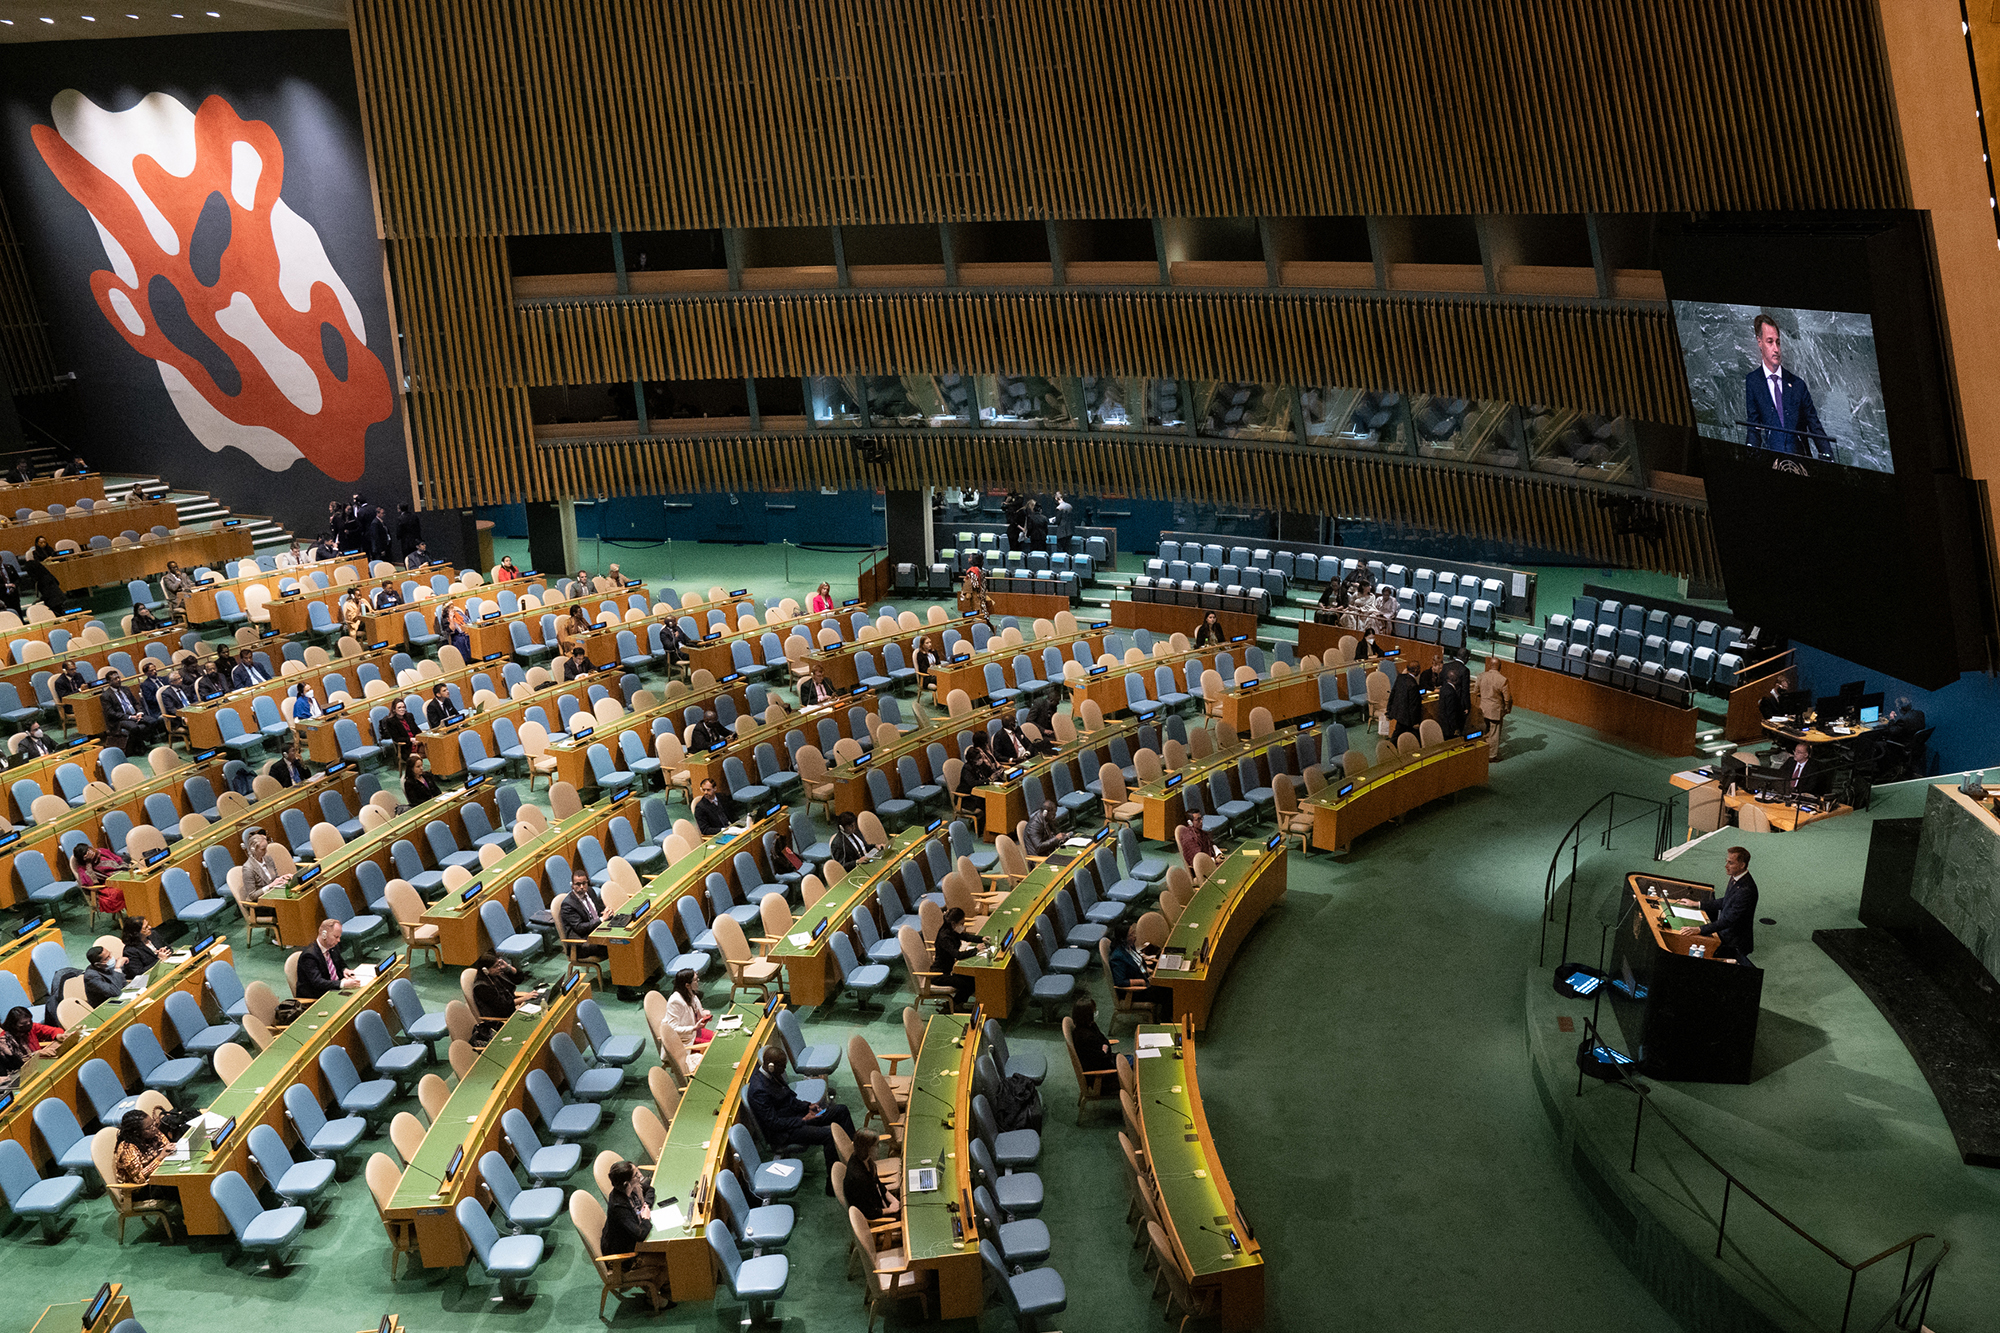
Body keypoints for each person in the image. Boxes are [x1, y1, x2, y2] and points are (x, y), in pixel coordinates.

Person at [746, 1045, 856, 1193]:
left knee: (840, 1110)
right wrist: (804, 1119)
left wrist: (808, 1107)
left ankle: (855, 1159)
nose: (785, 1070)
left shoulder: (772, 1074)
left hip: (797, 1118)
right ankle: (833, 1184)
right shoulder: (759, 1090)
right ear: (771, 1066)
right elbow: (773, 1123)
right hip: (786, 1131)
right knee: (829, 1135)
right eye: (782, 1067)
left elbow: (789, 1098)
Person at [1742, 314, 1829, 458]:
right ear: (1759, 342)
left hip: (1800, 461)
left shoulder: (1797, 385)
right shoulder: (1753, 381)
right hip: (1772, 461)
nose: (1776, 349)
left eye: (1778, 342)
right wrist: (1750, 455)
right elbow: (1753, 426)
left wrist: (1827, 455)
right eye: (1770, 342)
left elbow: (1815, 426)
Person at [1677, 845, 1759, 965]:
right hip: (1726, 935)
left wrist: (1699, 929)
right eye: (1727, 861)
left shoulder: (1746, 890)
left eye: (1731, 863)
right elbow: (1726, 901)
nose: (1726, 866)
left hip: (1734, 943)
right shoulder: (1735, 877)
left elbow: (1729, 920)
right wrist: (1697, 904)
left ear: (1742, 865)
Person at [600, 1159, 671, 1286]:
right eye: (636, 1175)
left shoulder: (631, 1189)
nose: (640, 1176)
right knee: (670, 1257)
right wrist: (645, 1218)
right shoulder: (619, 1207)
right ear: (627, 1183)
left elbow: (650, 1189)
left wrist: (646, 1206)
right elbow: (640, 1234)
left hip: (633, 1241)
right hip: (625, 1256)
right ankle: (652, 1298)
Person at [1108, 920, 1173, 1018]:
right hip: (1135, 992)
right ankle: (1166, 1020)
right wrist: (1141, 981)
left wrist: (1150, 971)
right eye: (1131, 935)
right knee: (1167, 990)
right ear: (1123, 939)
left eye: (1133, 932)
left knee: (1167, 982)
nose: (1135, 936)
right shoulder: (1118, 957)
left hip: (1145, 979)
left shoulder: (1130, 946)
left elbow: (1139, 964)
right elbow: (1120, 982)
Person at [114, 1108, 177, 1202]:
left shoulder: (153, 1133)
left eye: (153, 1123)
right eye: (149, 1127)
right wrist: (160, 1158)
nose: (154, 1128)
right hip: (140, 1190)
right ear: (136, 1132)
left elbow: (165, 1146)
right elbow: (139, 1178)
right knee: (176, 1185)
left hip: (158, 1176)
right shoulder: (127, 1148)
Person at [471, 950, 530, 1041]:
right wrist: (524, 998)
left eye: (499, 964)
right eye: (495, 966)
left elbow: (519, 980)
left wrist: (508, 968)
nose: (499, 967)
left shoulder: (495, 974)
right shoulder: (482, 987)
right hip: (500, 1021)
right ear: (485, 970)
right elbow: (504, 1007)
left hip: (511, 1010)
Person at [842, 1129, 898, 1220]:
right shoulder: (859, 1178)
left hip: (880, 1200)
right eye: (876, 1145)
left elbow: (877, 1184)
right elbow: (868, 1211)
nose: (879, 1148)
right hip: (878, 1214)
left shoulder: (865, 1160)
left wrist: (893, 1200)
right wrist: (890, 1210)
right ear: (867, 1148)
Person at [297, 918, 359, 999]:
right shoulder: (309, 955)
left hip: (335, 989)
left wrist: (345, 970)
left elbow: (341, 964)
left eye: (339, 937)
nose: (339, 940)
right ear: (324, 935)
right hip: (319, 996)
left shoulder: (332, 947)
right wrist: (342, 984)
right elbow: (318, 982)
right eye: (336, 937)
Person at [559, 868, 610, 961]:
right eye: (578, 884)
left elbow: (599, 909)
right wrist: (601, 920)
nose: (582, 887)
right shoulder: (568, 905)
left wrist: (607, 911)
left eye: (584, 883)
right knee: (614, 943)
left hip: (596, 932)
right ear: (572, 886)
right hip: (581, 944)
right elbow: (579, 927)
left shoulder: (590, 891)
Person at [931, 905, 976, 1007]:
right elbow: (958, 955)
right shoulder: (945, 937)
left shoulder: (952, 930)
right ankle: (954, 1005)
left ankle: (955, 1004)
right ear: (953, 923)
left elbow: (965, 936)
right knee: (968, 984)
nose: (963, 926)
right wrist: (976, 950)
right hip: (939, 975)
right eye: (962, 923)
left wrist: (982, 939)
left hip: (950, 970)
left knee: (973, 979)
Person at [0, 1005, 63, 1076]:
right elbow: (17, 1064)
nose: (28, 1024)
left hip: (42, 1062)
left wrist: (58, 1035)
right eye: (23, 1024)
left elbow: (54, 1030)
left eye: (30, 1021)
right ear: (14, 1025)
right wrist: (35, 1054)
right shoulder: (5, 1040)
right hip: (26, 1072)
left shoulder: (31, 1027)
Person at [663, 968, 713, 1050]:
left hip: (695, 1032)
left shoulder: (691, 994)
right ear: (687, 985)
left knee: (716, 1037)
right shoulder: (675, 1001)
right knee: (713, 1046)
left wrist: (703, 1015)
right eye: (696, 980)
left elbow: (694, 1012)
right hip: (685, 1038)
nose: (698, 981)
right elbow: (673, 1029)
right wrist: (693, 1028)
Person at [75, 846, 129, 915]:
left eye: (90, 850)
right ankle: (133, 914)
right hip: (107, 884)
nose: (91, 853)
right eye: (87, 853)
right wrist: (89, 863)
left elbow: (118, 860)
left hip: (121, 874)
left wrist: (125, 868)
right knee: (122, 891)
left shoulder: (102, 852)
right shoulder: (83, 868)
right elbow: (90, 884)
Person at [1069, 996, 1116, 1074]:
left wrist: (1104, 1049)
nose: (1096, 1013)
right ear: (1087, 1015)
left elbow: (1104, 1039)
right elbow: (1101, 1059)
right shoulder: (1084, 1038)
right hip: (1103, 1072)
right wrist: (1105, 1049)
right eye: (1093, 1011)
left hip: (1108, 1060)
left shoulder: (1091, 1025)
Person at [1476, 656, 1512, 757]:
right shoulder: (1503, 680)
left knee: (1484, 731)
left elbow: (1476, 692)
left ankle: (1482, 751)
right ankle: (1492, 755)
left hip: (1483, 708)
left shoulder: (1481, 676)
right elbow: (1507, 698)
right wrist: (1507, 708)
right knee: (1494, 734)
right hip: (1495, 711)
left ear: (1489, 665)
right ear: (1500, 667)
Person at [242, 829, 290, 900]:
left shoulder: (268, 859)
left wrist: (282, 878)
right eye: (262, 849)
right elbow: (252, 896)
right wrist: (270, 886)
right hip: (263, 901)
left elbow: (275, 878)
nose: (266, 851)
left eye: (266, 848)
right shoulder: (248, 868)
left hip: (275, 894)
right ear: (253, 850)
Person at [1436, 653, 1470, 739]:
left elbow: (1440, 682)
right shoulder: (1464, 670)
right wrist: (1466, 706)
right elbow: (1465, 690)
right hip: (1457, 705)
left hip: (1443, 700)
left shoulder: (1446, 666)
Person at [1386, 669, 1423, 741]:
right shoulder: (1413, 685)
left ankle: (1390, 747)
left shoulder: (1400, 678)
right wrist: (1415, 722)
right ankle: (1389, 748)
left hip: (1399, 712)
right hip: (1406, 716)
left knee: (1398, 733)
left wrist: (1389, 709)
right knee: (1398, 734)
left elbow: (1392, 694)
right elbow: (1413, 705)